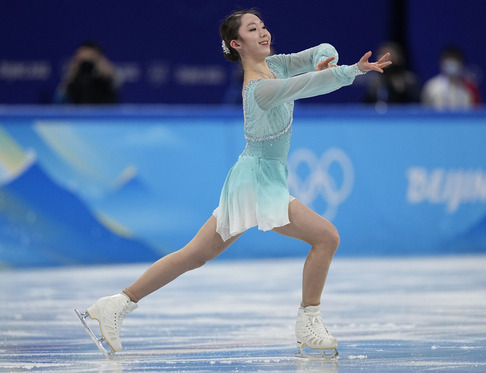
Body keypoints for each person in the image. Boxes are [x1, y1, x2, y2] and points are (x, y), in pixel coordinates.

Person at [79, 9, 391, 357]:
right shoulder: (259, 88)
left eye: (263, 26)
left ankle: (116, 304)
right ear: (236, 43)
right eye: (253, 29)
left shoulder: (280, 64)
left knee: (194, 255)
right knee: (326, 236)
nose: (263, 33)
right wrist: (351, 71)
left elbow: (319, 50)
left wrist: (328, 59)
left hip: (256, 176)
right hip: (257, 181)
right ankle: (308, 320)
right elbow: (308, 85)